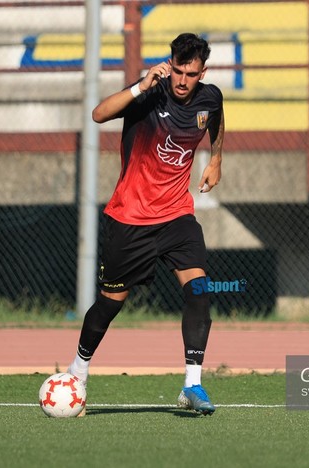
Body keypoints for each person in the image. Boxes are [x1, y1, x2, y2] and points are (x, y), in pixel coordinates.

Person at [67, 33, 225, 416]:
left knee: (199, 290)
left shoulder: (210, 97)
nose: (182, 80)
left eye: (191, 73)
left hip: (176, 216)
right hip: (130, 219)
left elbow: (217, 124)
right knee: (109, 304)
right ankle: (78, 372)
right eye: (177, 70)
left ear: (202, 71)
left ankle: (192, 384)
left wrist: (216, 159)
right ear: (168, 64)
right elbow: (99, 114)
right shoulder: (150, 94)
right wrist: (140, 85)